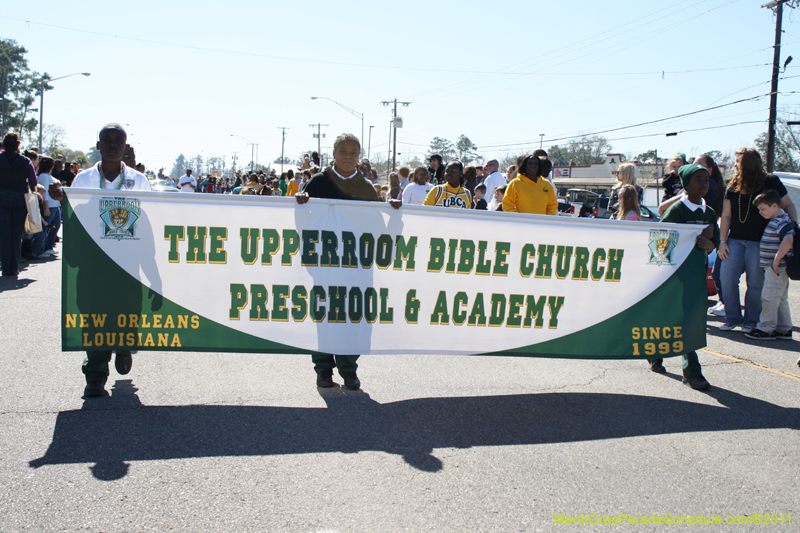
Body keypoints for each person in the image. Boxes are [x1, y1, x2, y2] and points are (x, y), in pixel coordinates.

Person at [296, 133, 401, 391]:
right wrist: (300, 207)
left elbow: (376, 226)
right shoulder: (317, 182)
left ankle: (348, 368)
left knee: (353, 315)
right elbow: (304, 224)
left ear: (359, 156)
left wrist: (395, 214)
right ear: (333, 153)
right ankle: (323, 369)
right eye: (343, 150)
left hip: (356, 265)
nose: (348, 156)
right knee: (324, 314)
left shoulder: (365, 186)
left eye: (354, 152)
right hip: (325, 262)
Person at [71, 123, 151, 397]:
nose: (113, 145)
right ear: (99, 146)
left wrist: (155, 272)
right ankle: (95, 374)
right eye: (107, 140)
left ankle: (124, 345)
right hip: (93, 265)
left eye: (118, 140)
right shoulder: (82, 180)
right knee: (92, 318)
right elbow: (74, 220)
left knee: (127, 313)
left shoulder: (139, 182)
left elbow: (149, 223)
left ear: (125, 147)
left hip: (128, 265)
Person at [648, 164, 718, 390]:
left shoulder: (710, 212)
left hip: (695, 276)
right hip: (675, 275)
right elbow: (660, 243)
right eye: (698, 180)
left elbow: (713, 241)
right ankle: (685, 368)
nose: (704, 184)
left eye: (706, 180)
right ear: (685, 185)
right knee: (673, 317)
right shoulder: (677, 209)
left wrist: (709, 243)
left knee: (689, 320)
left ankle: (690, 370)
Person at [718, 148, 797, 333]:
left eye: (737, 161)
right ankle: (732, 318)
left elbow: (788, 204)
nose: (735, 165)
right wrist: (722, 241)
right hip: (735, 240)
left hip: (760, 242)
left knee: (755, 283)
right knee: (726, 277)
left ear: (747, 164)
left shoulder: (771, 181)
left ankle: (751, 321)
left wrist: (793, 226)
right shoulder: (732, 185)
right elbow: (726, 214)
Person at [744, 190, 794, 340]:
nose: (760, 212)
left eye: (763, 209)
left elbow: (789, 239)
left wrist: (777, 259)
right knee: (780, 297)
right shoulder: (779, 219)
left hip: (777, 267)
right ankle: (784, 328)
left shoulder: (781, 221)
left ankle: (766, 328)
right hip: (776, 268)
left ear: (774, 205)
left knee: (769, 297)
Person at [0, 132, 37, 278]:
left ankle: (5, 268)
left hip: (2, 197)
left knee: (4, 234)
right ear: (18, 145)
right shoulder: (25, 161)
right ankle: (14, 268)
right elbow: (33, 182)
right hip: (20, 199)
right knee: (16, 235)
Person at [34, 156, 62, 258]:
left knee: (56, 225)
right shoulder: (44, 176)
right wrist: (46, 207)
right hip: (49, 205)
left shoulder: (48, 176)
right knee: (46, 227)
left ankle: (48, 246)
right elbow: (44, 192)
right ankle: (42, 248)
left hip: (55, 205)